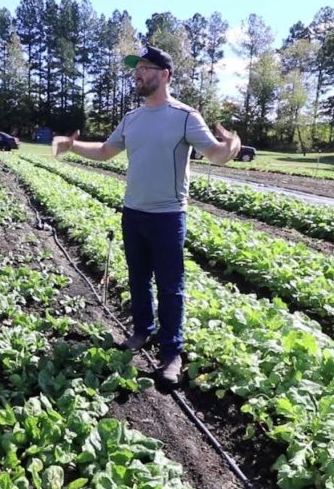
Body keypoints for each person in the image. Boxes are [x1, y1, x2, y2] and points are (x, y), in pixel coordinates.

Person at [51, 46, 241, 386]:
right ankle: (143, 331)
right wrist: (72, 145)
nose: (137, 74)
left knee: (171, 287)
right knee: (138, 279)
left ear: (165, 74)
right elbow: (107, 151)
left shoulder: (185, 116)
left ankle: (171, 353)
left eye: (145, 68)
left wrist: (233, 146)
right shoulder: (132, 118)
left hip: (168, 216)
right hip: (133, 213)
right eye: (136, 69)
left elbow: (215, 154)